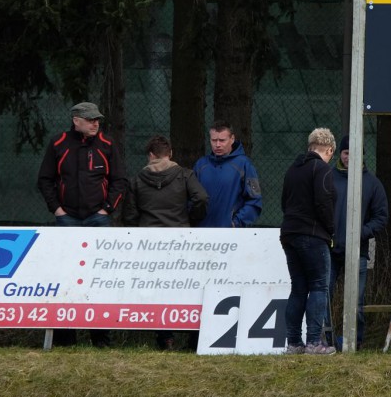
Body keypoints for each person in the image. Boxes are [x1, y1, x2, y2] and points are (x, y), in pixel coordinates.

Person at [36, 101, 128, 348]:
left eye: (97, 119)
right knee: (66, 276)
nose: (95, 123)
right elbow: (45, 180)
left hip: (98, 219)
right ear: (76, 121)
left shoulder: (107, 145)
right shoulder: (58, 143)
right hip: (67, 219)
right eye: (90, 120)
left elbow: (120, 181)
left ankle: (101, 340)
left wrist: (106, 209)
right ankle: (66, 340)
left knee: (99, 277)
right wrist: (57, 209)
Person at [123, 134, 209, 350]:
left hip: (149, 242)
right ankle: (193, 337)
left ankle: (165, 338)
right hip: (180, 239)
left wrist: (140, 228)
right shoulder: (185, 175)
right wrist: (191, 220)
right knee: (187, 287)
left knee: (158, 289)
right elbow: (201, 198)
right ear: (170, 154)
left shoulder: (137, 180)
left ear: (150, 155)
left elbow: (129, 214)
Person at [328, 134, 388, 351]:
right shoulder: (327, 178)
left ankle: (356, 341)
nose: (349, 157)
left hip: (358, 251)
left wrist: (360, 233)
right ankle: (326, 339)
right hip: (329, 250)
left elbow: (381, 217)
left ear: (362, 155)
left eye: (354, 153)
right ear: (340, 154)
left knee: (357, 300)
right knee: (324, 295)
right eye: (346, 153)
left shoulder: (372, 183)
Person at [280, 127, 337, 355]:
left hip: (289, 233)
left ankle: (294, 343)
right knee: (319, 286)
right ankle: (314, 342)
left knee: (298, 288)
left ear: (310, 146)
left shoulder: (292, 170)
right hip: (313, 234)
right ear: (329, 150)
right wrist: (331, 230)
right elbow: (324, 202)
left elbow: (284, 202)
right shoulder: (322, 169)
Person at [193, 121, 262, 228]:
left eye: (222, 140)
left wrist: (236, 223)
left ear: (232, 139)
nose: (217, 145)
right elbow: (190, 198)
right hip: (201, 231)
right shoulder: (201, 165)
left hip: (231, 233)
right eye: (214, 140)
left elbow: (254, 200)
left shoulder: (244, 164)